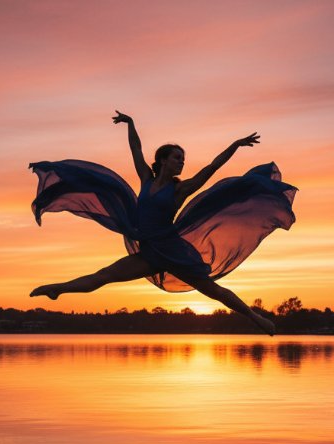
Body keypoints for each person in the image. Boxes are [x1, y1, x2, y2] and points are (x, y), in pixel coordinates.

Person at [29, 111, 297, 335]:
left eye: (183, 159)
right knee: (105, 275)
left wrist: (235, 146)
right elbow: (136, 149)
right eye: (177, 158)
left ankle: (257, 319)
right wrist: (130, 123)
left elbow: (212, 168)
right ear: (162, 160)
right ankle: (58, 289)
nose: (181, 162)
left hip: (172, 252)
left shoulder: (180, 189)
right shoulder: (146, 178)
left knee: (213, 291)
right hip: (149, 252)